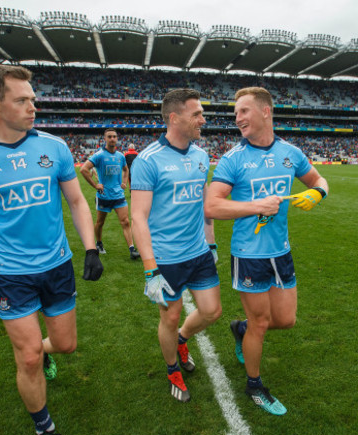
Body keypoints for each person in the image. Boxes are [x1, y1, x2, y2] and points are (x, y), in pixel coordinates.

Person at [0, 64, 103, 435]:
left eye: (32, 99)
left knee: (65, 344)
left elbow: (76, 201)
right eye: (21, 100)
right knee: (29, 355)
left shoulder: (53, 147)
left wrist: (90, 248)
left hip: (57, 265)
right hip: (10, 272)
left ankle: (46, 350)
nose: (32, 107)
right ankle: (44, 427)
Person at [205, 87, 329, 416]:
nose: (238, 119)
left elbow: (320, 180)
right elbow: (212, 205)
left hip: (281, 250)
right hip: (249, 254)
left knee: (285, 320)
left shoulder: (291, 152)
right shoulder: (234, 158)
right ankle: (254, 385)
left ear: (265, 112)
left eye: (244, 111)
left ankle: (240, 329)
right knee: (261, 321)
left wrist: (318, 194)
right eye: (236, 114)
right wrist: (256, 205)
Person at [131, 88, 221, 403]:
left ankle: (183, 338)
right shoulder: (147, 160)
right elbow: (138, 218)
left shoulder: (200, 155)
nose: (203, 120)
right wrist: (149, 269)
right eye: (196, 114)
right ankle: (172, 368)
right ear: (174, 117)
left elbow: (205, 203)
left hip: (198, 253)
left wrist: (211, 244)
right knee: (169, 317)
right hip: (165, 259)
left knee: (212, 311)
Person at [80, 129, 140, 259]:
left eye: (114, 136)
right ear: (105, 139)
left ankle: (132, 250)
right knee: (100, 222)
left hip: (118, 195)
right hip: (103, 196)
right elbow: (84, 169)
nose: (112, 139)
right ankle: (99, 243)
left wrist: (124, 182)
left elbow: (125, 169)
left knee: (125, 222)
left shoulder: (120, 156)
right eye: (109, 137)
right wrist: (95, 185)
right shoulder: (99, 155)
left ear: (117, 138)